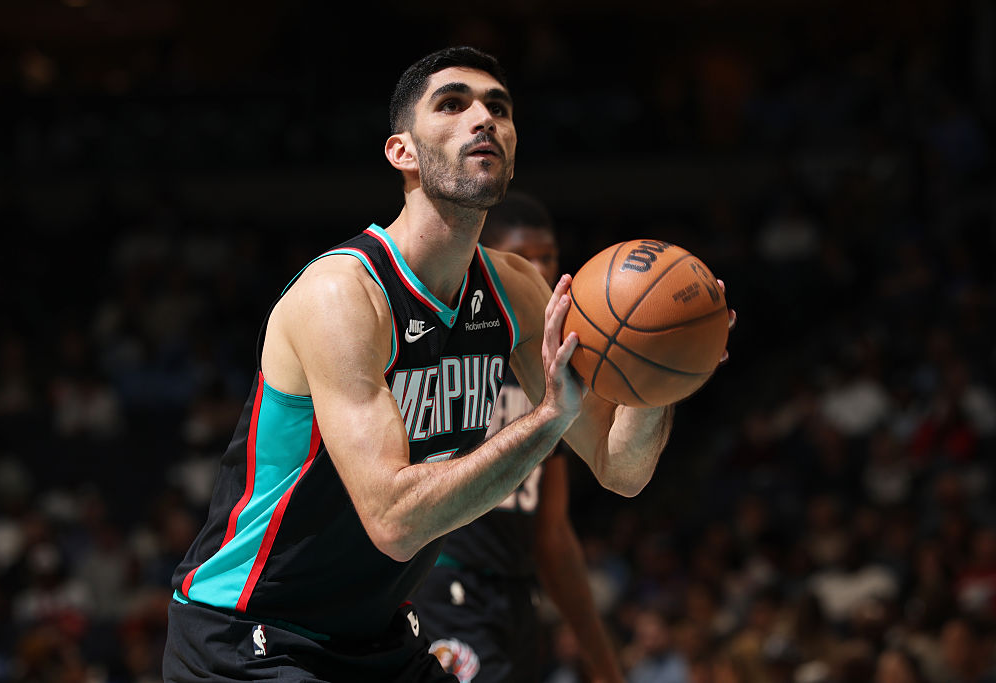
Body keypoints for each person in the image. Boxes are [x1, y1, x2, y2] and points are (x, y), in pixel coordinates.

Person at [163, 45, 723, 682]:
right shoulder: (342, 295)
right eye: (453, 104)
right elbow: (395, 522)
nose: (482, 118)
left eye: (498, 109)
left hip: (378, 635)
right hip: (250, 637)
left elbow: (621, 469)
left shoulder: (515, 290)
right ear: (402, 152)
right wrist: (548, 419)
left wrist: (664, 367)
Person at [414, 191, 624, 683]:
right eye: (521, 259)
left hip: (516, 596)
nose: (538, 271)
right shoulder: (451, 353)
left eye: (547, 257)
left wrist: (604, 661)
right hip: (443, 585)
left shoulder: (552, 374)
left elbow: (552, 537)